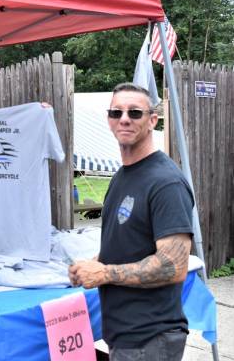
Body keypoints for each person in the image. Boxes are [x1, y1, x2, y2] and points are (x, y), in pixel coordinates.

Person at [69, 83, 194, 361]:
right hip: (125, 335)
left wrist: (103, 273)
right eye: (116, 112)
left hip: (150, 338)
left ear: (152, 120)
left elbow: (173, 266)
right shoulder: (122, 175)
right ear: (109, 119)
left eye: (135, 112)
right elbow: (128, 240)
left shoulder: (166, 182)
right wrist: (93, 263)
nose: (124, 118)